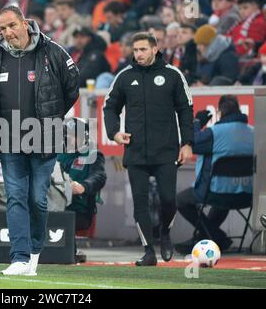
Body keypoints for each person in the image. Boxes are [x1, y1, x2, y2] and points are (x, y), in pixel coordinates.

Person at [0, 5, 79, 275]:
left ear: (25, 23)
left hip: (44, 135)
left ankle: (34, 253)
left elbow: (72, 88)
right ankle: (19, 257)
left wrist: (52, 115)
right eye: (2, 28)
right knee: (15, 196)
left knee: (37, 198)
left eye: (12, 25)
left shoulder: (53, 50)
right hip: (8, 136)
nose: (7, 32)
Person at [103, 32, 194, 266]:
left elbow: (186, 110)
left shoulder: (173, 75)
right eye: (135, 50)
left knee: (167, 199)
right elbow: (109, 107)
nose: (138, 54)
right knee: (140, 202)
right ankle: (148, 251)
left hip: (166, 150)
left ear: (155, 49)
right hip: (136, 151)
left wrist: (187, 143)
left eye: (143, 49)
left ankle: (165, 233)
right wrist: (114, 133)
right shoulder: (125, 76)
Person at [175, 95, 254, 253]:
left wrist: (197, 123)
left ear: (220, 112)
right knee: (221, 204)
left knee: (180, 200)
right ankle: (203, 238)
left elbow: (190, 144)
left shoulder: (215, 133)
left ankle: (216, 237)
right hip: (246, 195)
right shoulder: (253, 133)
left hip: (215, 193)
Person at [57, 117, 107, 262]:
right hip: (55, 205)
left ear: (84, 136)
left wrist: (83, 187)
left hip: (80, 210)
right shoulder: (58, 155)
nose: (71, 138)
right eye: (68, 134)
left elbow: (99, 176)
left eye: (75, 135)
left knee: (60, 218)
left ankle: (68, 251)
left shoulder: (93, 155)